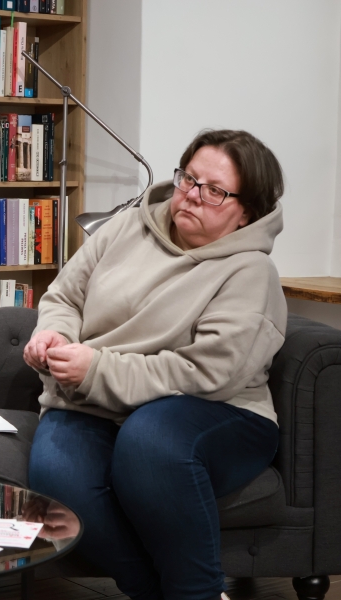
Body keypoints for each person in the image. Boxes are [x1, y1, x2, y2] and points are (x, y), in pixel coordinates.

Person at [24, 129, 286, 600]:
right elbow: (64, 297)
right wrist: (55, 335)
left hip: (216, 411)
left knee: (149, 438)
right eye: (189, 178)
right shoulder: (127, 227)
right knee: (56, 480)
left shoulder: (251, 271)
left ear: (247, 212)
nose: (193, 195)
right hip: (94, 401)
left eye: (215, 191)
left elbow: (206, 374)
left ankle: (196, 591)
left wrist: (96, 370)